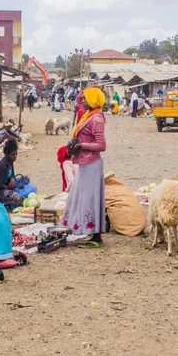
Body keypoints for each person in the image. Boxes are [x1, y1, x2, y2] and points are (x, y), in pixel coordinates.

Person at [60, 87, 107, 247]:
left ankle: (96, 235)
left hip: (92, 163)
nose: (83, 101)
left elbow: (101, 145)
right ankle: (90, 231)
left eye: (87, 99)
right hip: (85, 163)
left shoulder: (96, 119)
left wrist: (81, 145)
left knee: (91, 198)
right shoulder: (89, 115)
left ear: (94, 101)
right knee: (82, 197)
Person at [0, 139, 25, 208]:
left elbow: (12, 176)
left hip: (6, 186)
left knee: (25, 179)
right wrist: (12, 187)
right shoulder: (2, 165)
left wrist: (13, 181)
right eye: (13, 155)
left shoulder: (10, 162)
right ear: (7, 154)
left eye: (16, 154)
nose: (15, 156)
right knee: (19, 199)